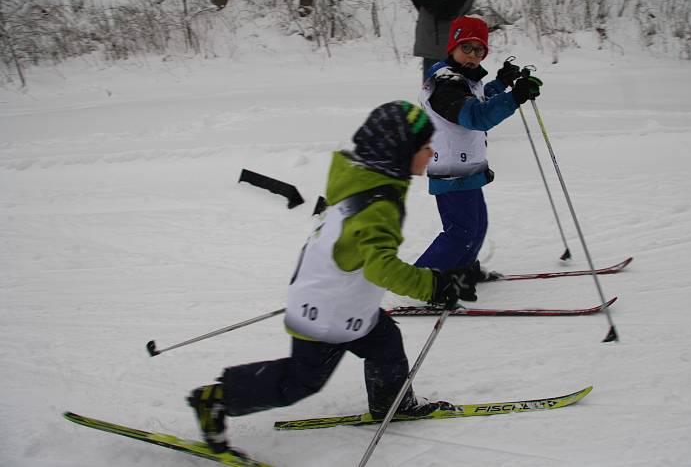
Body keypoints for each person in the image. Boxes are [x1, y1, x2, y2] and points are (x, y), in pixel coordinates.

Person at [187, 101, 479, 454]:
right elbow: (381, 267)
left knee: (385, 343)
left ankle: (392, 405)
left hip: (341, 298)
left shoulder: (363, 178)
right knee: (300, 380)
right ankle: (215, 399)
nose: (431, 152)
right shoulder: (380, 205)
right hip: (326, 309)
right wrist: (437, 285)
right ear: (400, 152)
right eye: (423, 146)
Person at [414, 15, 543, 283]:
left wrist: (501, 84)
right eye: (466, 48)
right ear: (452, 48)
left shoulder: (464, 78)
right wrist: (514, 97)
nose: (473, 55)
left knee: (476, 226)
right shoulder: (444, 83)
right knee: (460, 231)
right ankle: (421, 281)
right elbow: (476, 116)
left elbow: (480, 100)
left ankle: (459, 271)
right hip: (451, 170)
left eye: (479, 49)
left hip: (468, 167)